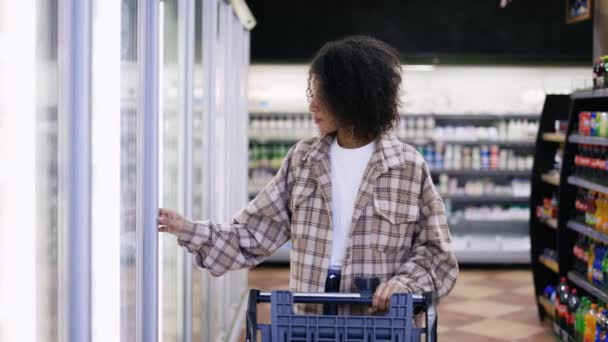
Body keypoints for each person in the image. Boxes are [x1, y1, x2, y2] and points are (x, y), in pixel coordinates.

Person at [158, 35, 458, 315]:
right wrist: (186, 229)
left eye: (322, 95)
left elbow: (437, 254)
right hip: (310, 312)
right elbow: (252, 234)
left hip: (376, 317)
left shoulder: (408, 166)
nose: (311, 105)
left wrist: (406, 284)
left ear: (352, 97)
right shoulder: (303, 160)